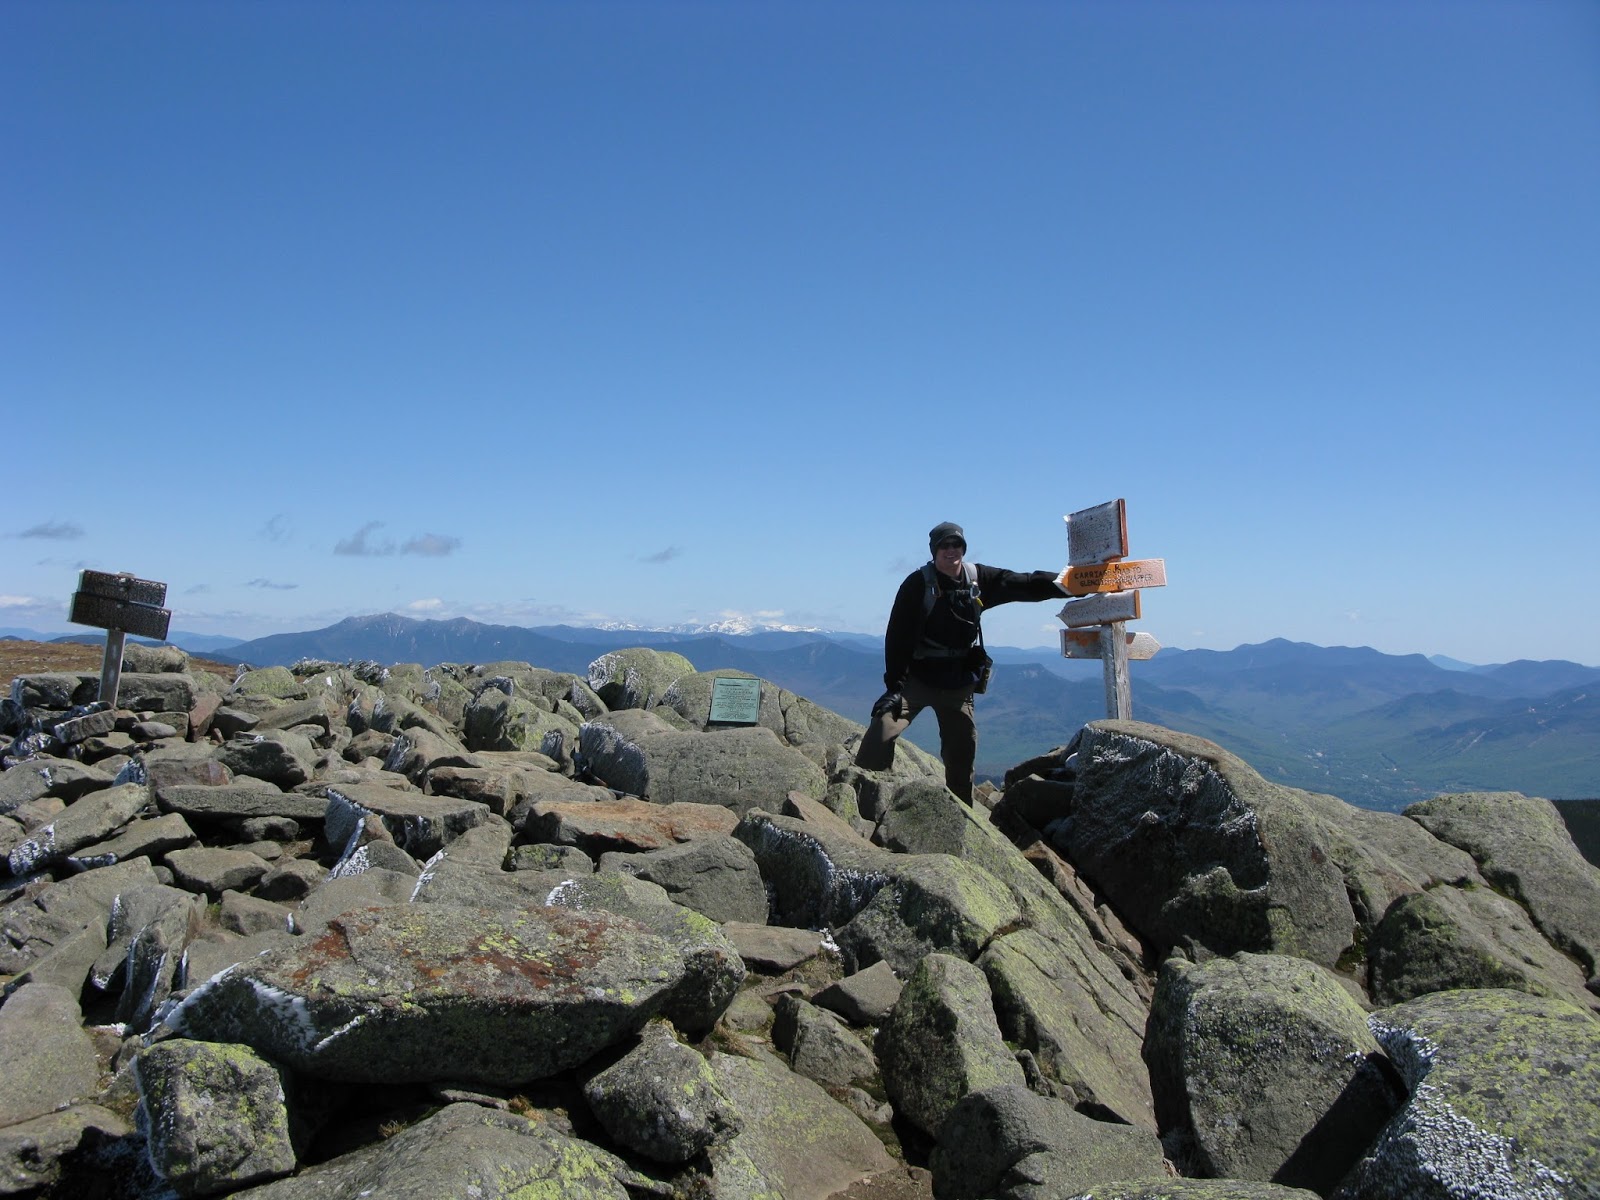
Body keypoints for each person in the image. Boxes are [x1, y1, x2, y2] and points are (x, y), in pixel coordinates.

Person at [855, 521, 1066, 803]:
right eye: (944, 545)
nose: (951, 550)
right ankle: (864, 795)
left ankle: (960, 813)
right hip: (917, 679)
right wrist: (894, 687)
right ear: (934, 550)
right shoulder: (917, 585)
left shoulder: (978, 579)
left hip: (958, 684)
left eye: (956, 545)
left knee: (961, 754)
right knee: (882, 728)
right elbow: (897, 637)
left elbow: (1026, 584)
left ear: (963, 548)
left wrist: (1071, 583)